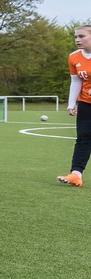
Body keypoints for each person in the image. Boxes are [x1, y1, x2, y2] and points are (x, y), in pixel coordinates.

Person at [57, 24, 91, 187]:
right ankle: (76, 174)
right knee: (83, 138)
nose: (77, 39)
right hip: (86, 104)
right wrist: (72, 103)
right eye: (76, 36)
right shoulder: (73, 57)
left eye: (82, 36)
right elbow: (76, 81)